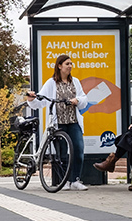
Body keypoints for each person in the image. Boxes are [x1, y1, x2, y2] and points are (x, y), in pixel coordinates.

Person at [26, 54, 91, 191]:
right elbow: (41, 100)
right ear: (59, 66)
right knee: (62, 153)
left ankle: (76, 180)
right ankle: (64, 181)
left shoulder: (75, 82)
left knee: (78, 149)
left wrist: (77, 100)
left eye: (71, 64)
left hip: (73, 121)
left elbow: (84, 98)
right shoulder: (51, 83)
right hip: (59, 123)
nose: (70, 66)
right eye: (67, 64)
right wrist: (31, 99)